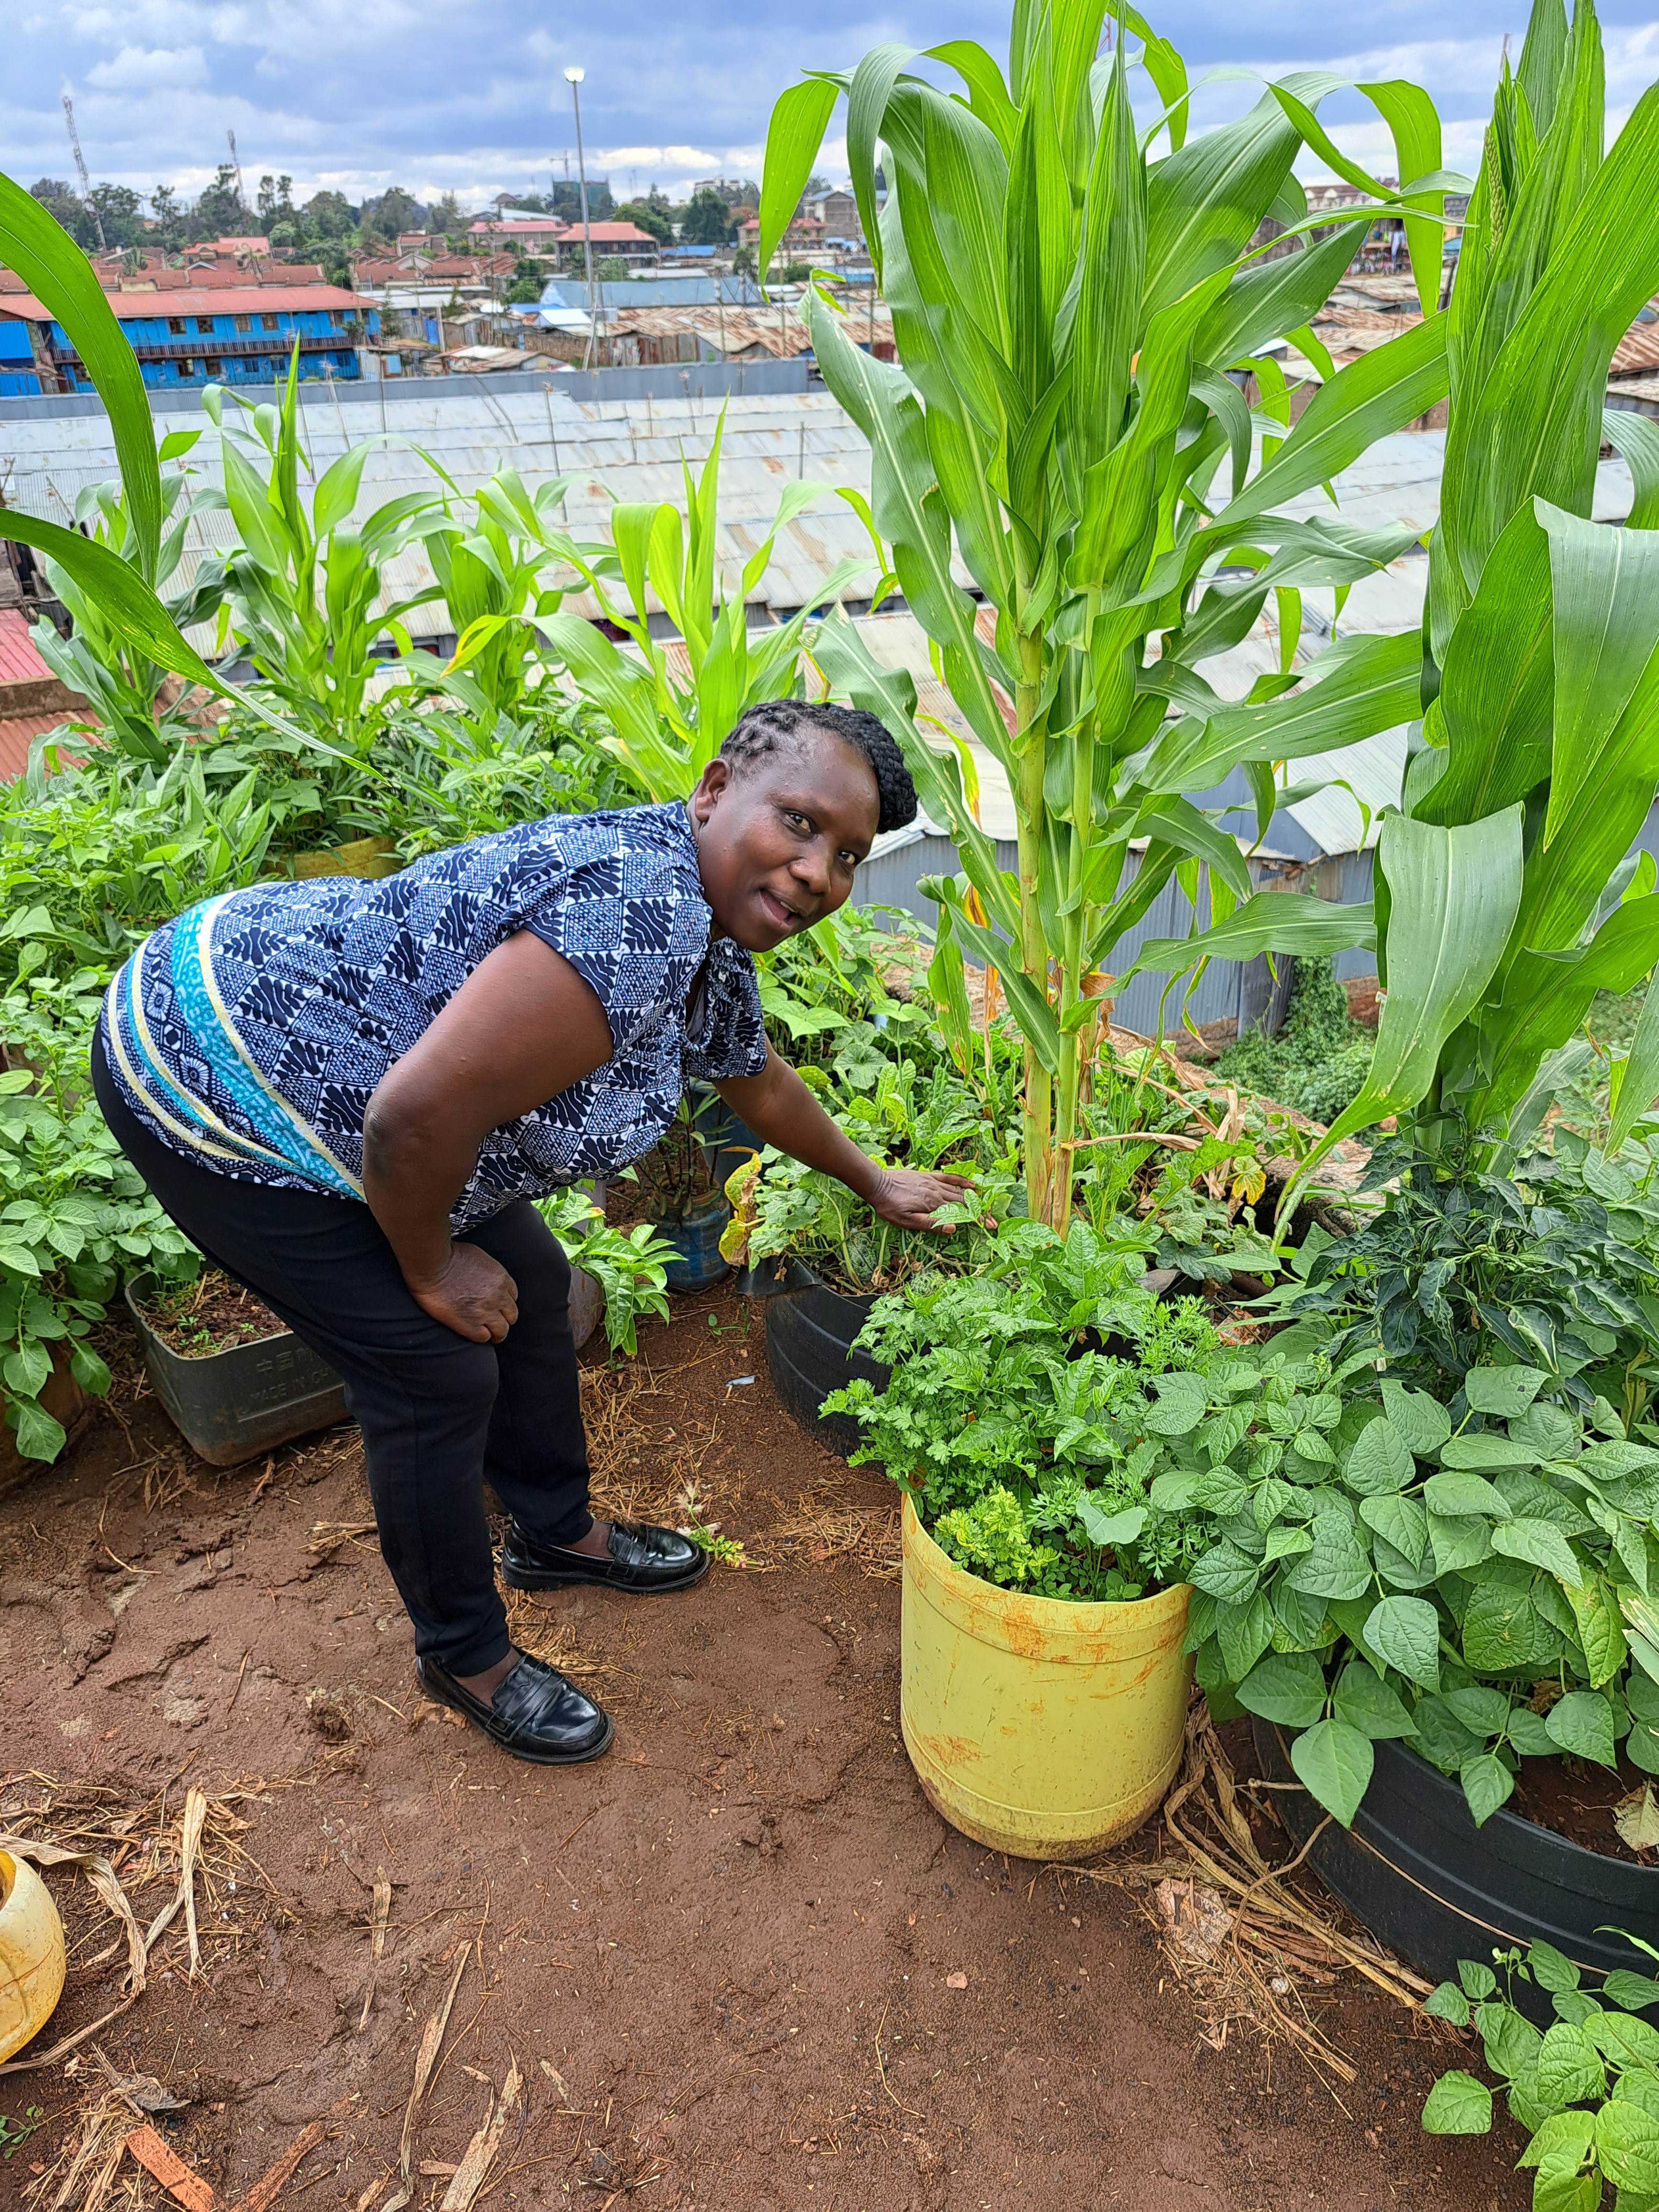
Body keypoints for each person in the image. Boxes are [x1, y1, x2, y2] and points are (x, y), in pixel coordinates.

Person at [93, 700, 969, 1765]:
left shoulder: (702, 927)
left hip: (358, 1070)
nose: (819, 872)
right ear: (712, 791)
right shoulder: (637, 911)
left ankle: (555, 1534)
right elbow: (412, 1119)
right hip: (211, 1066)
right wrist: (430, 1267)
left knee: (536, 1285)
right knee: (432, 1371)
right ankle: (464, 1654)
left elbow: (759, 1081)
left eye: (848, 854)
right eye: (798, 821)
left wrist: (872, 1180)